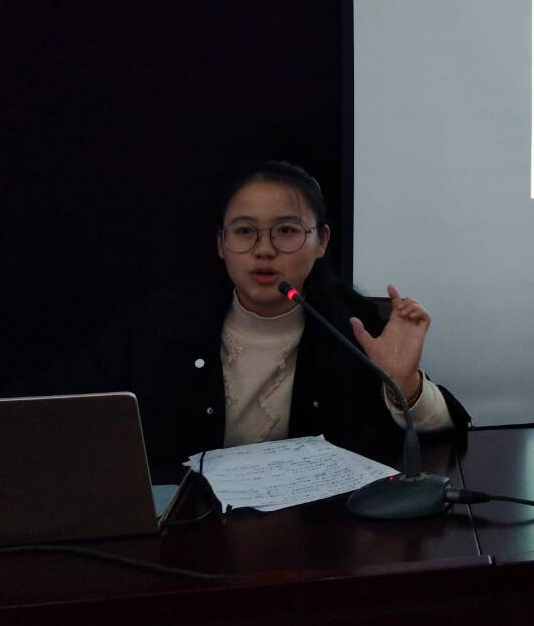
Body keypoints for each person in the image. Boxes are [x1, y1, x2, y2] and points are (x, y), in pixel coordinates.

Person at [27, 160, 468, 469]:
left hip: (319, 540)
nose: (263, 249)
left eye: (286, 231)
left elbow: (446, 433)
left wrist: (403, 384)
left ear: (321, 241)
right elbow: (56, 401)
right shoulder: (163, 323)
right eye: (244, 231)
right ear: (222, 244)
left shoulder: (352, 326)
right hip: (189, 535)